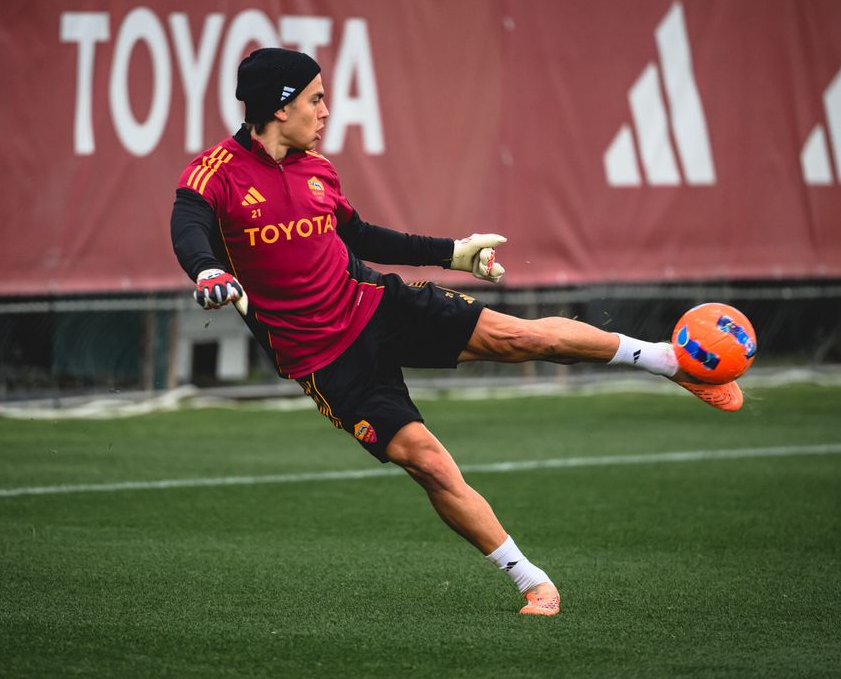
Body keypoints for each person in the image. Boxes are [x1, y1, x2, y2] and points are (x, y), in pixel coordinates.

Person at [170, 47, 743, 617]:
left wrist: (455, 254)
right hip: (325, 359)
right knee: (429, 463)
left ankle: (672, 362)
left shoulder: (318, 168)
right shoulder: (214, 174)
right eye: (317, 100)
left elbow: (362, 238)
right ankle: (533, 581)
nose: (325, 112)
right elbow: (188, 226)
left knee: (523, 339)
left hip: (376, 303)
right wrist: (208, 270)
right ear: (280, 105)